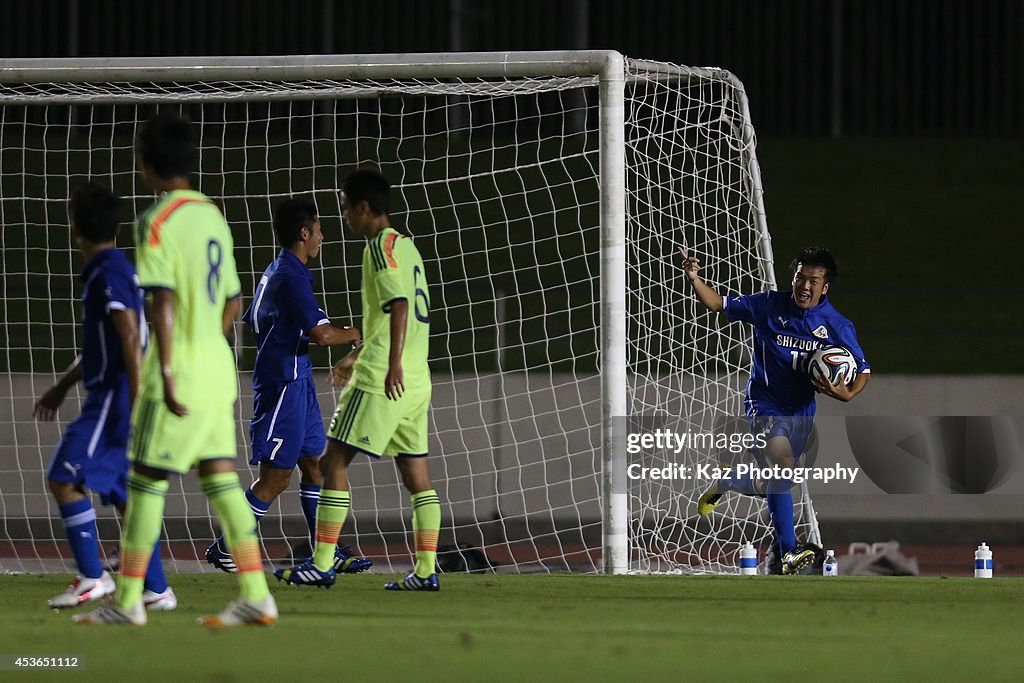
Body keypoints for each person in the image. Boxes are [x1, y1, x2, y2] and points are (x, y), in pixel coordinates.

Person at [75, 112, 276, 626]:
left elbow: (161, 300)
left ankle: (128, 604)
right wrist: (207, 342)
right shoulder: (213, 215)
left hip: (180, 367)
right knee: (221, 479)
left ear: (145, 164)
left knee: (144, 481)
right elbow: (234, 299)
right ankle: (257, 593)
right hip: (216, 364)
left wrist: (165, 367)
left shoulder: (156, 222)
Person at [275, 169, 441, 591]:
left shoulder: (379, 248)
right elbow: (393, 316)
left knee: (331, 462)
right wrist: (355, 354)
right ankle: (425, 572)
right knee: (415, 476)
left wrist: (389, 365)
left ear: (365, 208)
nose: (344, 216)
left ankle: (322, 563)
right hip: (417, 380)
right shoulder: (409, 248)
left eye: (346, 208)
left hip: (385, 377)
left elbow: (399, 306)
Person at [204, 197, 371, 575]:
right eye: (319, 231)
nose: (323, 238)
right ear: (304, 233)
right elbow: (324, 336)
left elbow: (265, 321)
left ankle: (323, 552)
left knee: (314, 466)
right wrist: (361, 333)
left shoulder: (277, 270)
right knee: (276, 478)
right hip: (282, 385)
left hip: (296, 378)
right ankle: (228, 545)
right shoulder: (290, 277)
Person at [681, 245, 870, 574]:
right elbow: (716, 303)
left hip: (801, 411)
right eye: (800, 278)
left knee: (776, 480)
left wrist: (848, 393)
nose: (804, 286)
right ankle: (788, 552)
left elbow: (863, 369)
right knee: (781, 467)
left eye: (813, 280)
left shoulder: (837, 325)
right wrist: (694, 278)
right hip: (765, 404)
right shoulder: (767, 305)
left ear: (824, 287)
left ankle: (730, 481)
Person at [34, 182, 175, 612]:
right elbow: (107, 344)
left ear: (75, 227)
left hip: (117, 394)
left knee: (63, 476)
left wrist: (134, 402)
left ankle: (94, 578)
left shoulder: (108, 272)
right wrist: (62, 385)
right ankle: (157, 589)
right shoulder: (114, 267)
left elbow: (130, 336)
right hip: (118, 389)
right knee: (121, 496)